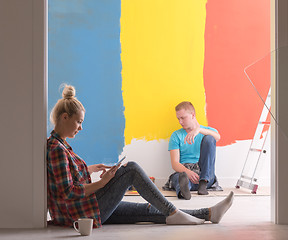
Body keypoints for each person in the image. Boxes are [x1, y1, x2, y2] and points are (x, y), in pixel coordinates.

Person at [47, 84, 234, 228]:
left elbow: (65, 177)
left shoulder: (61, 145)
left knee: (149, 210)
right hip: (80, 213)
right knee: (131, 170)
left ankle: (208, 214)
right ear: (65, 117)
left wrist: (89, 168)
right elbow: (68, 192)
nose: (81, 127)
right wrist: (103, 183)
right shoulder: (56, 148)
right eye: (78, 122)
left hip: (86, 208)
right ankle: (174, 211)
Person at [166, 101, 221, 200]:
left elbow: (217, 137)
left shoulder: (207, 131)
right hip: (185, 171)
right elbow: (174, 163)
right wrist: (188, 172)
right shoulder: (176, 135)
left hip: (204, 172)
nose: (180, 122)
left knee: (209, 138)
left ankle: (203, 183)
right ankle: (184, 190)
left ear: (193, 115)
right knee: (178, 178)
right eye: (178, 119)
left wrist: (198, 130)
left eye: (183, 118)